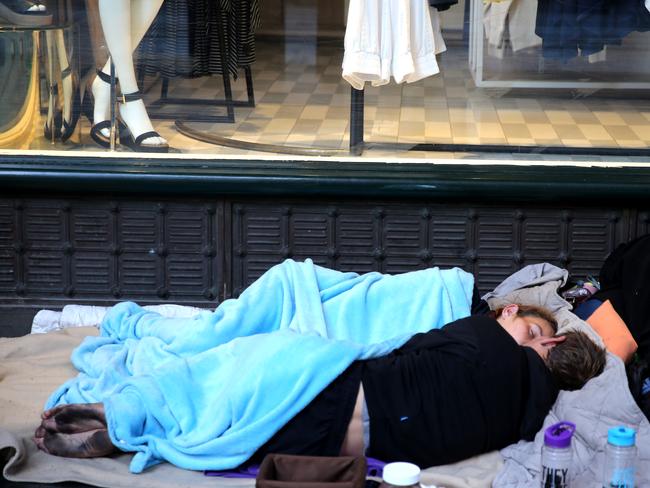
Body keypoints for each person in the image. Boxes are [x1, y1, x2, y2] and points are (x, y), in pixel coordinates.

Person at [33, 303, 606, 470]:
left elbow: (405, 349)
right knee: (217, 415)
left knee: (215, 370)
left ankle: (120, 411)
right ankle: (132, 423)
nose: (516, 326)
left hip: (328, 387)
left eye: (533, 331)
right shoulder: (526, 422)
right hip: (321, 447)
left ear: (550, 349)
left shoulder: (486, 338)